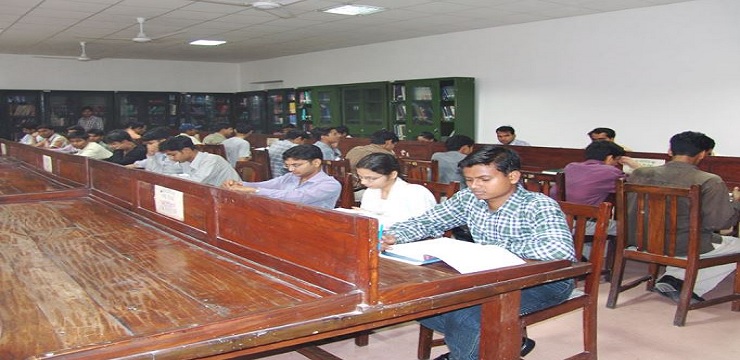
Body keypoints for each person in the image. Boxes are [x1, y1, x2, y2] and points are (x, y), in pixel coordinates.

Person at [381, 145, 575, 360]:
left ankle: (468, 353)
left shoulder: (538, 205)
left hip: (545, 281)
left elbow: (559, 251)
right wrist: (393, 235)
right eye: (469, 180)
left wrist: (494, 249)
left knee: (468, 315)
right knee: (421, 303)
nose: (475, 186)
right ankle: (495, 345)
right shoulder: (469, 199)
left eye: (484, 179)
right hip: (488, 276)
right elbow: (428, 221)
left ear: (513, 176)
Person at [627, 131, 740, 303]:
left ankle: (672, 278)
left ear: (670, 151)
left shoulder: (640, 173)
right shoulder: (709, 180)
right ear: (703, 154)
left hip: (640, 240)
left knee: (701, 239)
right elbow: (720, 223)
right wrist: (736, 203)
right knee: (731, 243)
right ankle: (686, 285)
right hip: (682, 245)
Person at [223, 144, 341, 209]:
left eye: (296, 165)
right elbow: (266, 185)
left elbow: (296, 198)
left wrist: (254, 191)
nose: (290, 169)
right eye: (287, 166)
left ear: (316, 163)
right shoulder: (291, 177)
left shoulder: (329, 185)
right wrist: (240, 184)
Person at [563, 141, 639, 236]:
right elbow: (637, 182)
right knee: (631, 229)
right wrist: (636, 166)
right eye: (616, 161)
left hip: (563, 220)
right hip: (584, 224)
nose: (616, 165)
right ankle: (617, 251)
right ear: (610, 158)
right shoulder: (610, 171)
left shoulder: (570, 167)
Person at [355, 153, 436, 225]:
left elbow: (422, 226)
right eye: (361, 177)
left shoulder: (416, 193)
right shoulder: (371, 191)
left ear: (393, 174)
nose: (363, 182)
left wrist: (370, 216)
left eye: (371, 178)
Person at [159, 136, 240, 187]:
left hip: (232, 195)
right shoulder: (185, 160)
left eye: (173, 155)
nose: (171, 158)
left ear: (186, 150)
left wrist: (170, 177)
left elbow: (197, 182)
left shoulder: (211, 160)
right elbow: (167, 173)